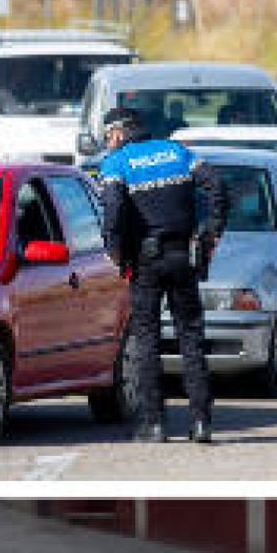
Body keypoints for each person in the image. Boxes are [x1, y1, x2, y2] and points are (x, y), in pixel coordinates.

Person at [97, 105, 229, 444]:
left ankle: (154, 424)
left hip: (145, 261)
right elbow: (216, 185)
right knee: (191, 337)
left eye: (109, 134)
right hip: (183, 255)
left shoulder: (117, 163)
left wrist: (113, 248)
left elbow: (112, 210)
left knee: (148, 341)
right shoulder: (177, 151)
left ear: (122, 131)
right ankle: (202, 423)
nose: (108, 141)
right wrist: (212, 233)